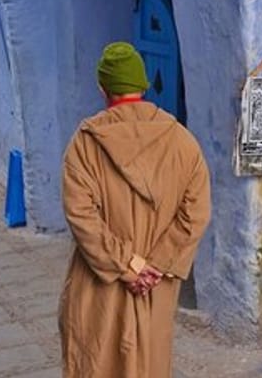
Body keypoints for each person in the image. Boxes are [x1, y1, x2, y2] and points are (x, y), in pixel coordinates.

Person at [59, 42, 211, 378]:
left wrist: (128, 265)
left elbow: (82, 215)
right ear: (143, 86)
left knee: (96, 359)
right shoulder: (183, 142)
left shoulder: (85, 144)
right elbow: (195, 213)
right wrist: (154, 265)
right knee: (149, 361)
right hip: (156, 284)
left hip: (101, 279)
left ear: (103, 89)